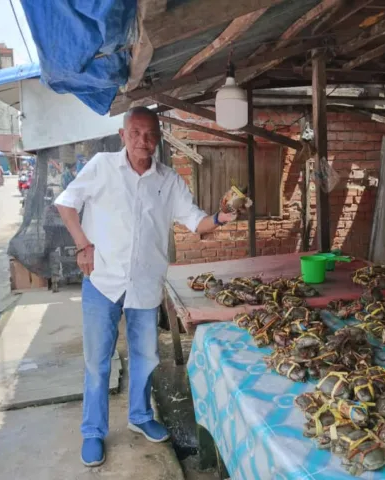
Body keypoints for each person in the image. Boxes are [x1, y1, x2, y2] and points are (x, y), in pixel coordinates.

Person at [54, 106, 236, 467]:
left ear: (158, 139)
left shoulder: (168, 181)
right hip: (102, 280)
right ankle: (93, 431)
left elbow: (195, 221)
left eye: (150, 134)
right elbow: (66, 204)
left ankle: (140, 416)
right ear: (122, 135)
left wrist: (219, 218)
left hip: (145, 283)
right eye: (135, 133)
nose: (143, 141)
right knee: (97, 361)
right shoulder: (103, 166)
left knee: (146, 356)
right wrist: (82, 244)